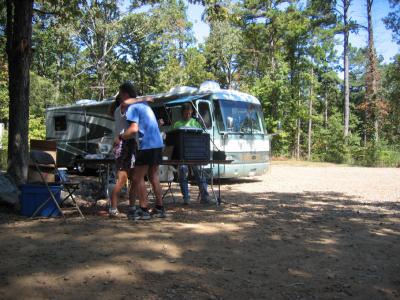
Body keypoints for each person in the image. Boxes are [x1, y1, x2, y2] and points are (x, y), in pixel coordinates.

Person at [118, 82, 165, 220]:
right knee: (153, 176)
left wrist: (121, 136)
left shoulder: (133, 107)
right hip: (157, 144)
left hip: (147, 145)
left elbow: (133, 129)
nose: (120, 98)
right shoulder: (145, 105)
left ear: (125, 94)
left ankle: (144, 210)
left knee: (138, 177)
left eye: (120, 94)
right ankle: (160, 208)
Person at [108, 93, 152, 218]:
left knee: (134, 178)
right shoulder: (120, 110)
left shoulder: (127, 112)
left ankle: (132, 207)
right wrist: (144, 98)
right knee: (122, 179)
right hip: (123, 145)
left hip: (131, 145)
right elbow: (126, 103)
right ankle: (113, 208)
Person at [172, 102, 212, 205]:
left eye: (190, 113)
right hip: (182, 155)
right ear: (182, 113)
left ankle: (205, 196)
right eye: (186, 113)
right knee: (182, 170)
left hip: (194, 153)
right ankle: (186, 198)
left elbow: (201, 137)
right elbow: (174, 141)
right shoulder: (177, 124)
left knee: (199, 172)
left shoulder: (195, 123)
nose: (188, 115)